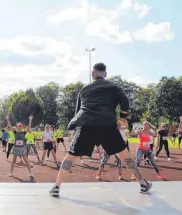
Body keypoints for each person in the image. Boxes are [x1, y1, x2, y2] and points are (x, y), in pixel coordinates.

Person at [49, 63, 152, 197]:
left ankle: (56, 186)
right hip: (107, 124)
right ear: (106, 74)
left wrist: (75, 128)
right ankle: (143, 184)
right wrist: (121, 120)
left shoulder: (84, 89)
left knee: (70, 157)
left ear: (93, 74)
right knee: (124, 156)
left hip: (86, 125)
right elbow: (125, 103)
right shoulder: (114, 86)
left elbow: (78, 111)